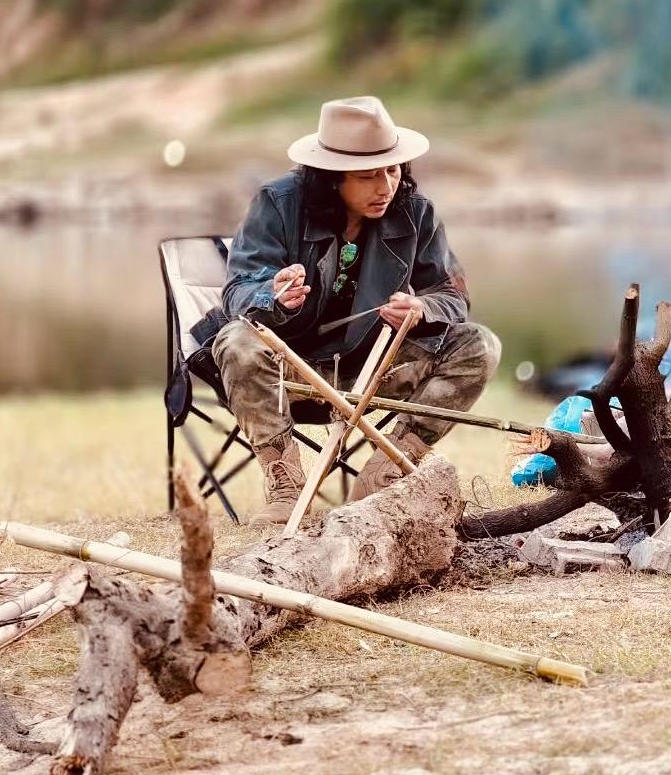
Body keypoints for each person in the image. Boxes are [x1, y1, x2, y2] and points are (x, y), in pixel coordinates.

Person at [207, 95, 501, 526]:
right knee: (235, 341)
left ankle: (386, 472)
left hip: (372, 371)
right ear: (331, 179)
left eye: (393, 170)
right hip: (288, 373)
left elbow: (451, 294)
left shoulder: (416, 211)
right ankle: (285, 486)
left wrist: (421, 308)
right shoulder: (277, 203)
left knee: (480, 345)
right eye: (367, 176)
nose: (386, 186)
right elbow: (237, 292)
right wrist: (272, 295)